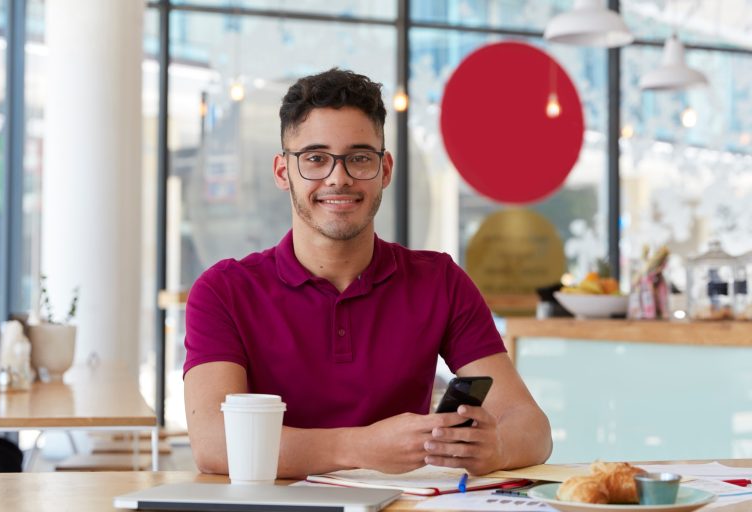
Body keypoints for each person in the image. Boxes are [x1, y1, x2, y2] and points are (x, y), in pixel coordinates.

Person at [183, 68, 551, 479]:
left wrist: (496, 447)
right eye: (315, 159)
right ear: (283, 172)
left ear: (385, 170)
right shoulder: (223, 291)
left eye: (359, 158)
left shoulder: (440, 281)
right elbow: (214, 444)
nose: (338, 178)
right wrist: (361, 446)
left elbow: (533, 429)